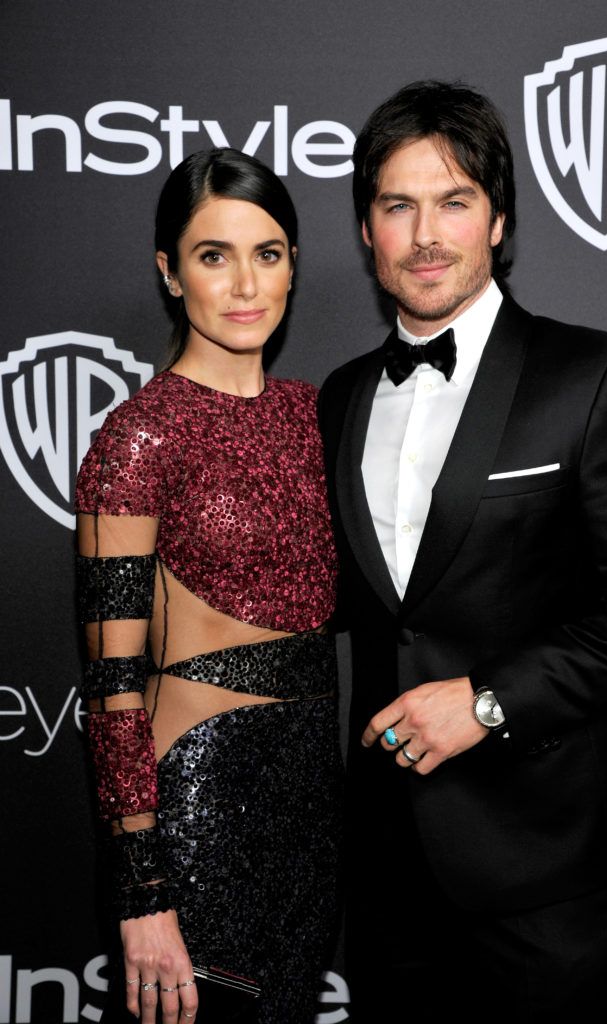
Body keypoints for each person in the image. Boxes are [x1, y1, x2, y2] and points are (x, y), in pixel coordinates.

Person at [318, 80, 607, 1023]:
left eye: (454, 200)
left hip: (542, 865)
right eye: (398, 205)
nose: (425, 233)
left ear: (499, 221)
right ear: (367, 230)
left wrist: (487, 702)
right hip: (388, 868)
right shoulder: (338, 396)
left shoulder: (594, 375)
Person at [75, 147, 342, 1024]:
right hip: (198, 805)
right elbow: (112, 689)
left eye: (266, 253)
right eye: (211, 254)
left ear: (293, 266)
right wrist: (143, 890)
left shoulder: (319, 416)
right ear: (168, 271)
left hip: (314, 804)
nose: (243, 284)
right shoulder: (138, 438)